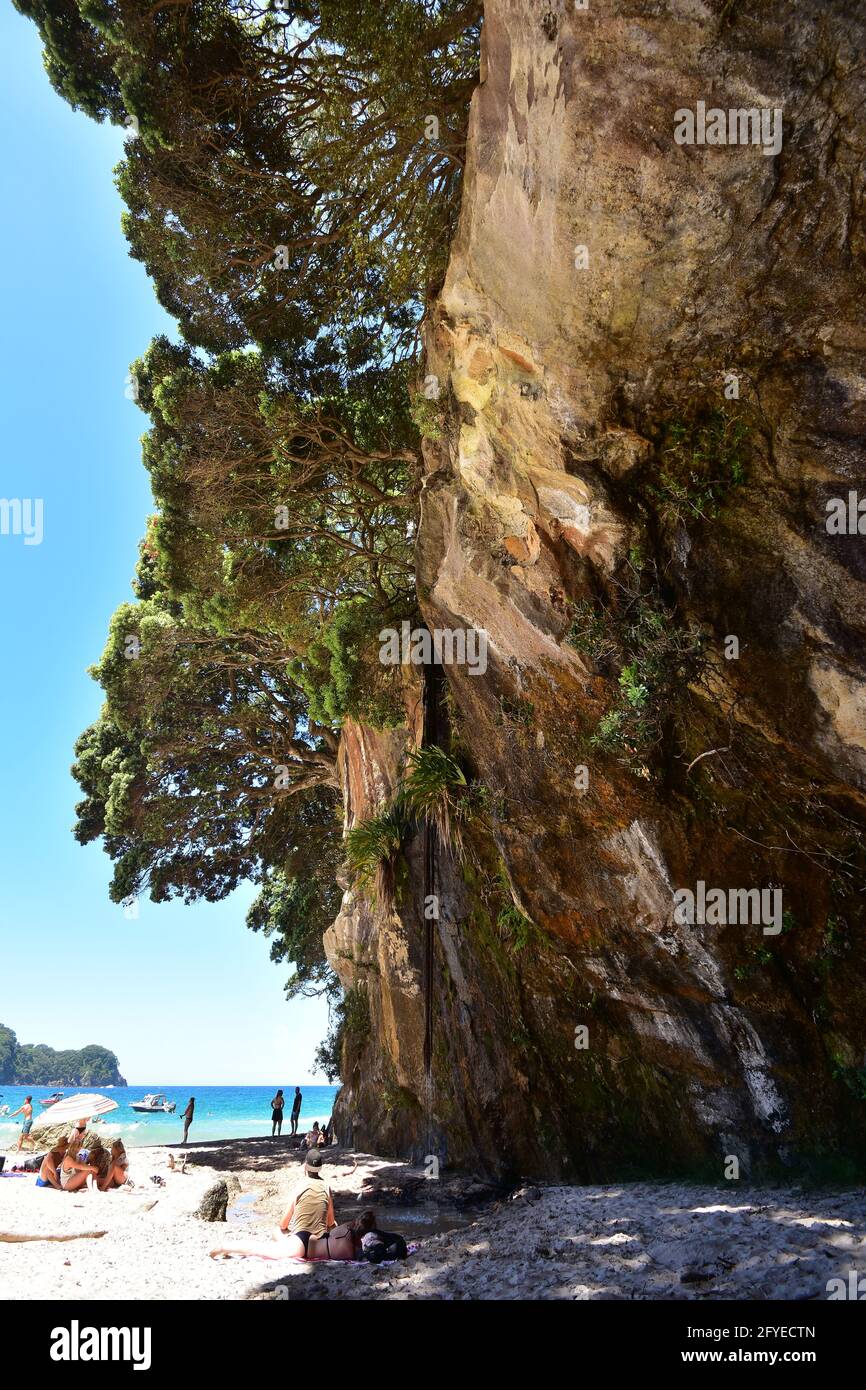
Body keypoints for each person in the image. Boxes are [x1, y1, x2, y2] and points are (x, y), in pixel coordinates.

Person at [278, 1149, 334, 1258]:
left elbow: (283, 1224)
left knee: (277, 1231)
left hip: (300, 1241)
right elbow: (330, 1222)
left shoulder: (300, 1186)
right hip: (321, 1242)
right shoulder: (326, 1187)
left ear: (305, 1166)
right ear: (320, 1168)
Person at [60, 1125, 100, 1192]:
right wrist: (92, 1168)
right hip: (67, 1184)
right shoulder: (68, 1159)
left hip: (74, 1180)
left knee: (90, 1169)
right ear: (76, 1148)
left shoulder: (77, 1156)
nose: (80, 1149)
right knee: (89, 1170)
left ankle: (95, 1188)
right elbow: (80, 1167)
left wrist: (92, 1167)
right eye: (79, 1147)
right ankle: (91, 1189)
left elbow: (84, 1165)